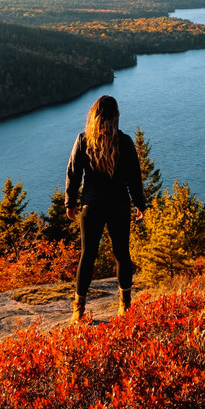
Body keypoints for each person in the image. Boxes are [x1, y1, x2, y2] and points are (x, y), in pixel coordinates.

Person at [65, 94, 148, 322]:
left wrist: (70, 203)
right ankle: (125, 306)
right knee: (122, 254)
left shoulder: (83, 140)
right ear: (116, 117)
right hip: (119, 205)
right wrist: (140, 204)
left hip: (91, 206)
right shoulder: (125, 142)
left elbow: (73, 173)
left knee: (87, 256)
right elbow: (134, 178)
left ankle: (78, 310)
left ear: (93, 115)